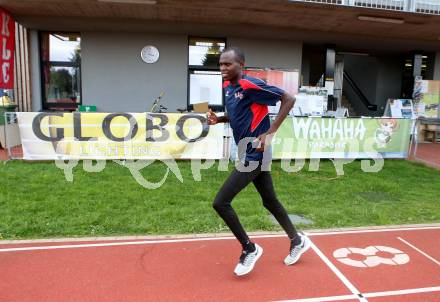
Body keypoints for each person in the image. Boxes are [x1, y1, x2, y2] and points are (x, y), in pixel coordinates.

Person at [207, 47, 310, 276]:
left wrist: (271, 132)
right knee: (269, 201)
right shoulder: (228, 86)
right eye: (221, 64)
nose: (223, 68)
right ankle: (297, 241)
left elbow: (289, 99)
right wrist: (220, 119)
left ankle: (249, 249)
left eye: (228, 64)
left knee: (221, 202)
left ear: (241, 65)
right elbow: (237, 115)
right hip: (248, 152)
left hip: (256, 153)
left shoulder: (249, 84)